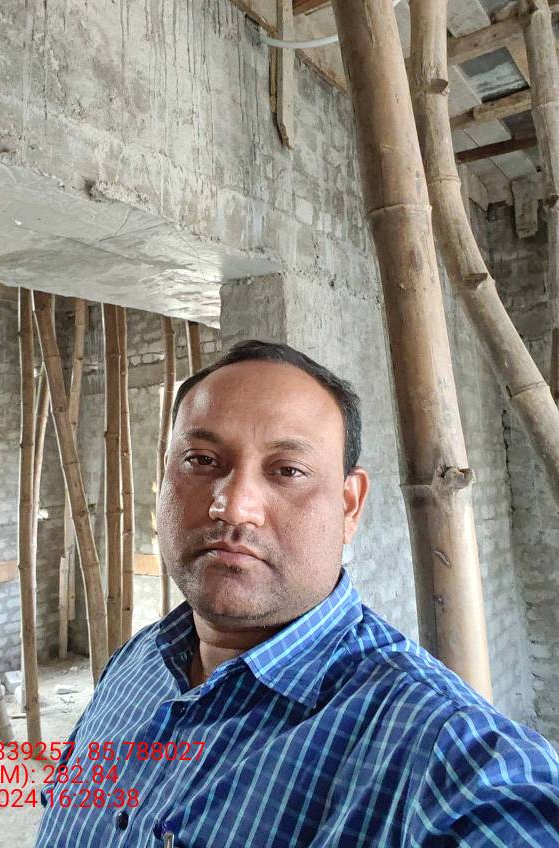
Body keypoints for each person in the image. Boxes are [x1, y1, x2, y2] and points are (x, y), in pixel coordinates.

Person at [34, 340, 559, 847]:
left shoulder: (447, 755)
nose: (233, 506)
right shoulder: (135, 663)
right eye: (202, 460)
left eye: (287, 471)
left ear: (349, 506)